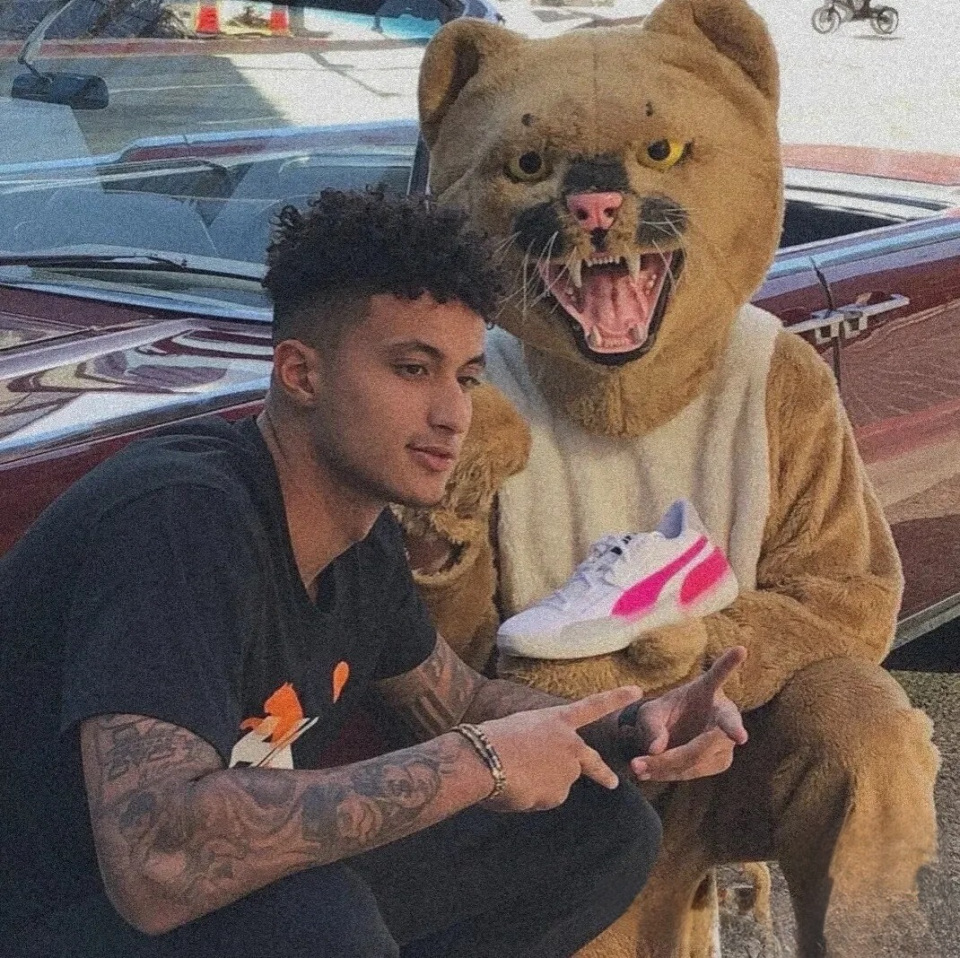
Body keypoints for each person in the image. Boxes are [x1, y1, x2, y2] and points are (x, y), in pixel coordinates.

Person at [0, 189, 749, 958]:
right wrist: (478, 763)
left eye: (465, 377)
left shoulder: (359, 532)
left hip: (195, 914)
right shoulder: (179, 519)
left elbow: (458, 704)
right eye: (412, 369)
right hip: (52, 916)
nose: (452, 414)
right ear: (301, 373)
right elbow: (158, 861)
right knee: (316, 919)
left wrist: (632, 725)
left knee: (597, 826)